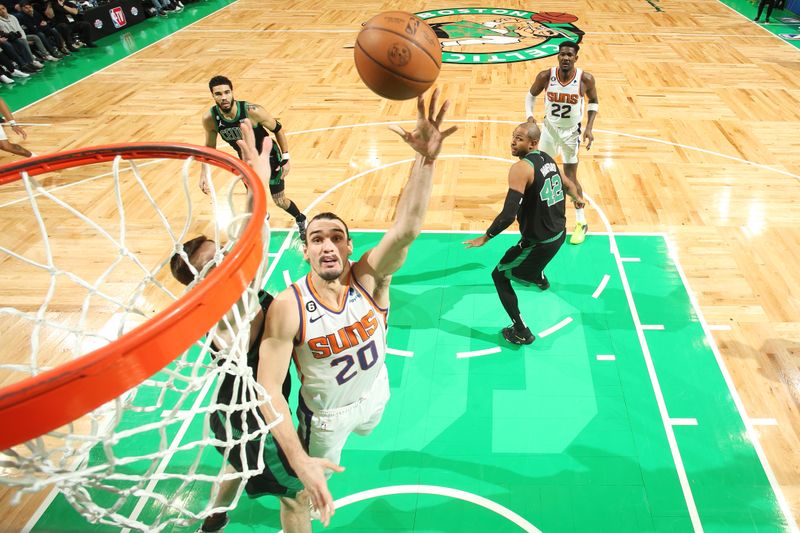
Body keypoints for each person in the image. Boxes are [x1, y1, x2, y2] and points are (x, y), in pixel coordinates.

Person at [255, 89, 456, 527]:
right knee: (300, 497)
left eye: (335, 237)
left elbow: (407, 230)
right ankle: (288, 483)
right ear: (304, 252)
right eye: (316, 238)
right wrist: (299, 459)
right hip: (324, 419)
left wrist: (425, 161)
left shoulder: (368, 279)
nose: (326, 244)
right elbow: (268, 388)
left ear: (350, 246)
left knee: (368, 424)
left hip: (376, 392)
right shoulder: (290, 307)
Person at [170, 123, 318, 533]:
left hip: (234, 410)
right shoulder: (227, 308)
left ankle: (213, 520)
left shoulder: (232, 291)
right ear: (199, 281)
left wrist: (254, 179)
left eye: (222, 253)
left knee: (240, 464)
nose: (225, 261)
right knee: (298, 495)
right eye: (213, 263)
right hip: (250, 417)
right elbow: (257, 236)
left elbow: (249, 239)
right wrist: (254, 189)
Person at [463, 122, 582, 345]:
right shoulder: (547, 159)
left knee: (499, 276)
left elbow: (508, 215)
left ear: (533, 143)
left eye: (519, 138)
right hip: (559, 234)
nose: (513, 141)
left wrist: (486, 237)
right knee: (525, 259)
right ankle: (538, 277)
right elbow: (568, 184)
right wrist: (577, 199)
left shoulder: (520, 169)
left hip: (539, 244)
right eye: (513, 136)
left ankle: (521, 331)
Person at [202, 75, 308, 241]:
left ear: (232, 92)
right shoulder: (210, 119)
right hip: (247, 162)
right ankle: (262, 218)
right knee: (254, 200)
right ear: (212, 95)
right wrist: (204, 173)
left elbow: (278, 129)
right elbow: (209, 148)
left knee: (279, 200)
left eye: (227, 92)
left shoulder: (252, 111)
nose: (224, 97)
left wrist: (286, 157)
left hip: (270, 158)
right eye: (218, 94)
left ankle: (301, 219)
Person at [525, 41, 598, 245]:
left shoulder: (585, 79)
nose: (566, 58)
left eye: (570, 55)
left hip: (571, 134)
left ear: (576, 57)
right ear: (558, 56)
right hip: (549, 130)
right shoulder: (546, 76)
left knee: (570, 178)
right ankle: (541, 214)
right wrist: (530, 116)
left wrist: (589, 127)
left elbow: (594, 101)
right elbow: (530, 95)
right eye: (562, 54)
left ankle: (581, 222)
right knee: (542, 171)